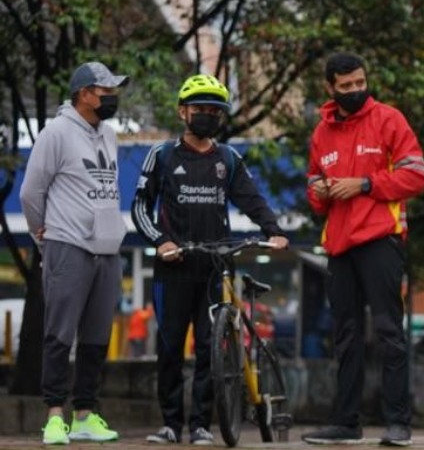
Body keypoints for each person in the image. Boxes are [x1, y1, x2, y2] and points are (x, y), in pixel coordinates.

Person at [132, 74, 289, 445]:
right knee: (170, 348)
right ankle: (170, 423)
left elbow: (252, 199)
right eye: (199, 109)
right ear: (182, 112)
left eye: (213, 111)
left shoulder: (228, 159)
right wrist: (161, 241)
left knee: (209, 349)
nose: (206, 115)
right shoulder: (163, 155)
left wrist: (274, 230)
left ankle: (201, 424)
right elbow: (140, 206)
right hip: (172, 267)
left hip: (215, 268)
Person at [302, 53, 424, 447]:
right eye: (347, 86)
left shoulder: (389, 119)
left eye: (360, 82)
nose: (356, 90)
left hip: (381, 240)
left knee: (390, 331)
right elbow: (314, 191)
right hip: (339, 245)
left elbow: (415, 175)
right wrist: (320, 191)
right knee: (345, 336)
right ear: (330, 89)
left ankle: (398, 423)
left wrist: (365, 185)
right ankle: (345, 422)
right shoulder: (321, 133)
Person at [19, 61, 130, 445]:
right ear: (84, 94)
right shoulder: (56, 133)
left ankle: (85, 414)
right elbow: (30, 193)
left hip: (107, 247)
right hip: (68, 244)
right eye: (106, 91)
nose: (113, 98)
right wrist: (42, 235)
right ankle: (54, 416)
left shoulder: (110, 135)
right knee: (59, 334)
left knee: (97, 337)